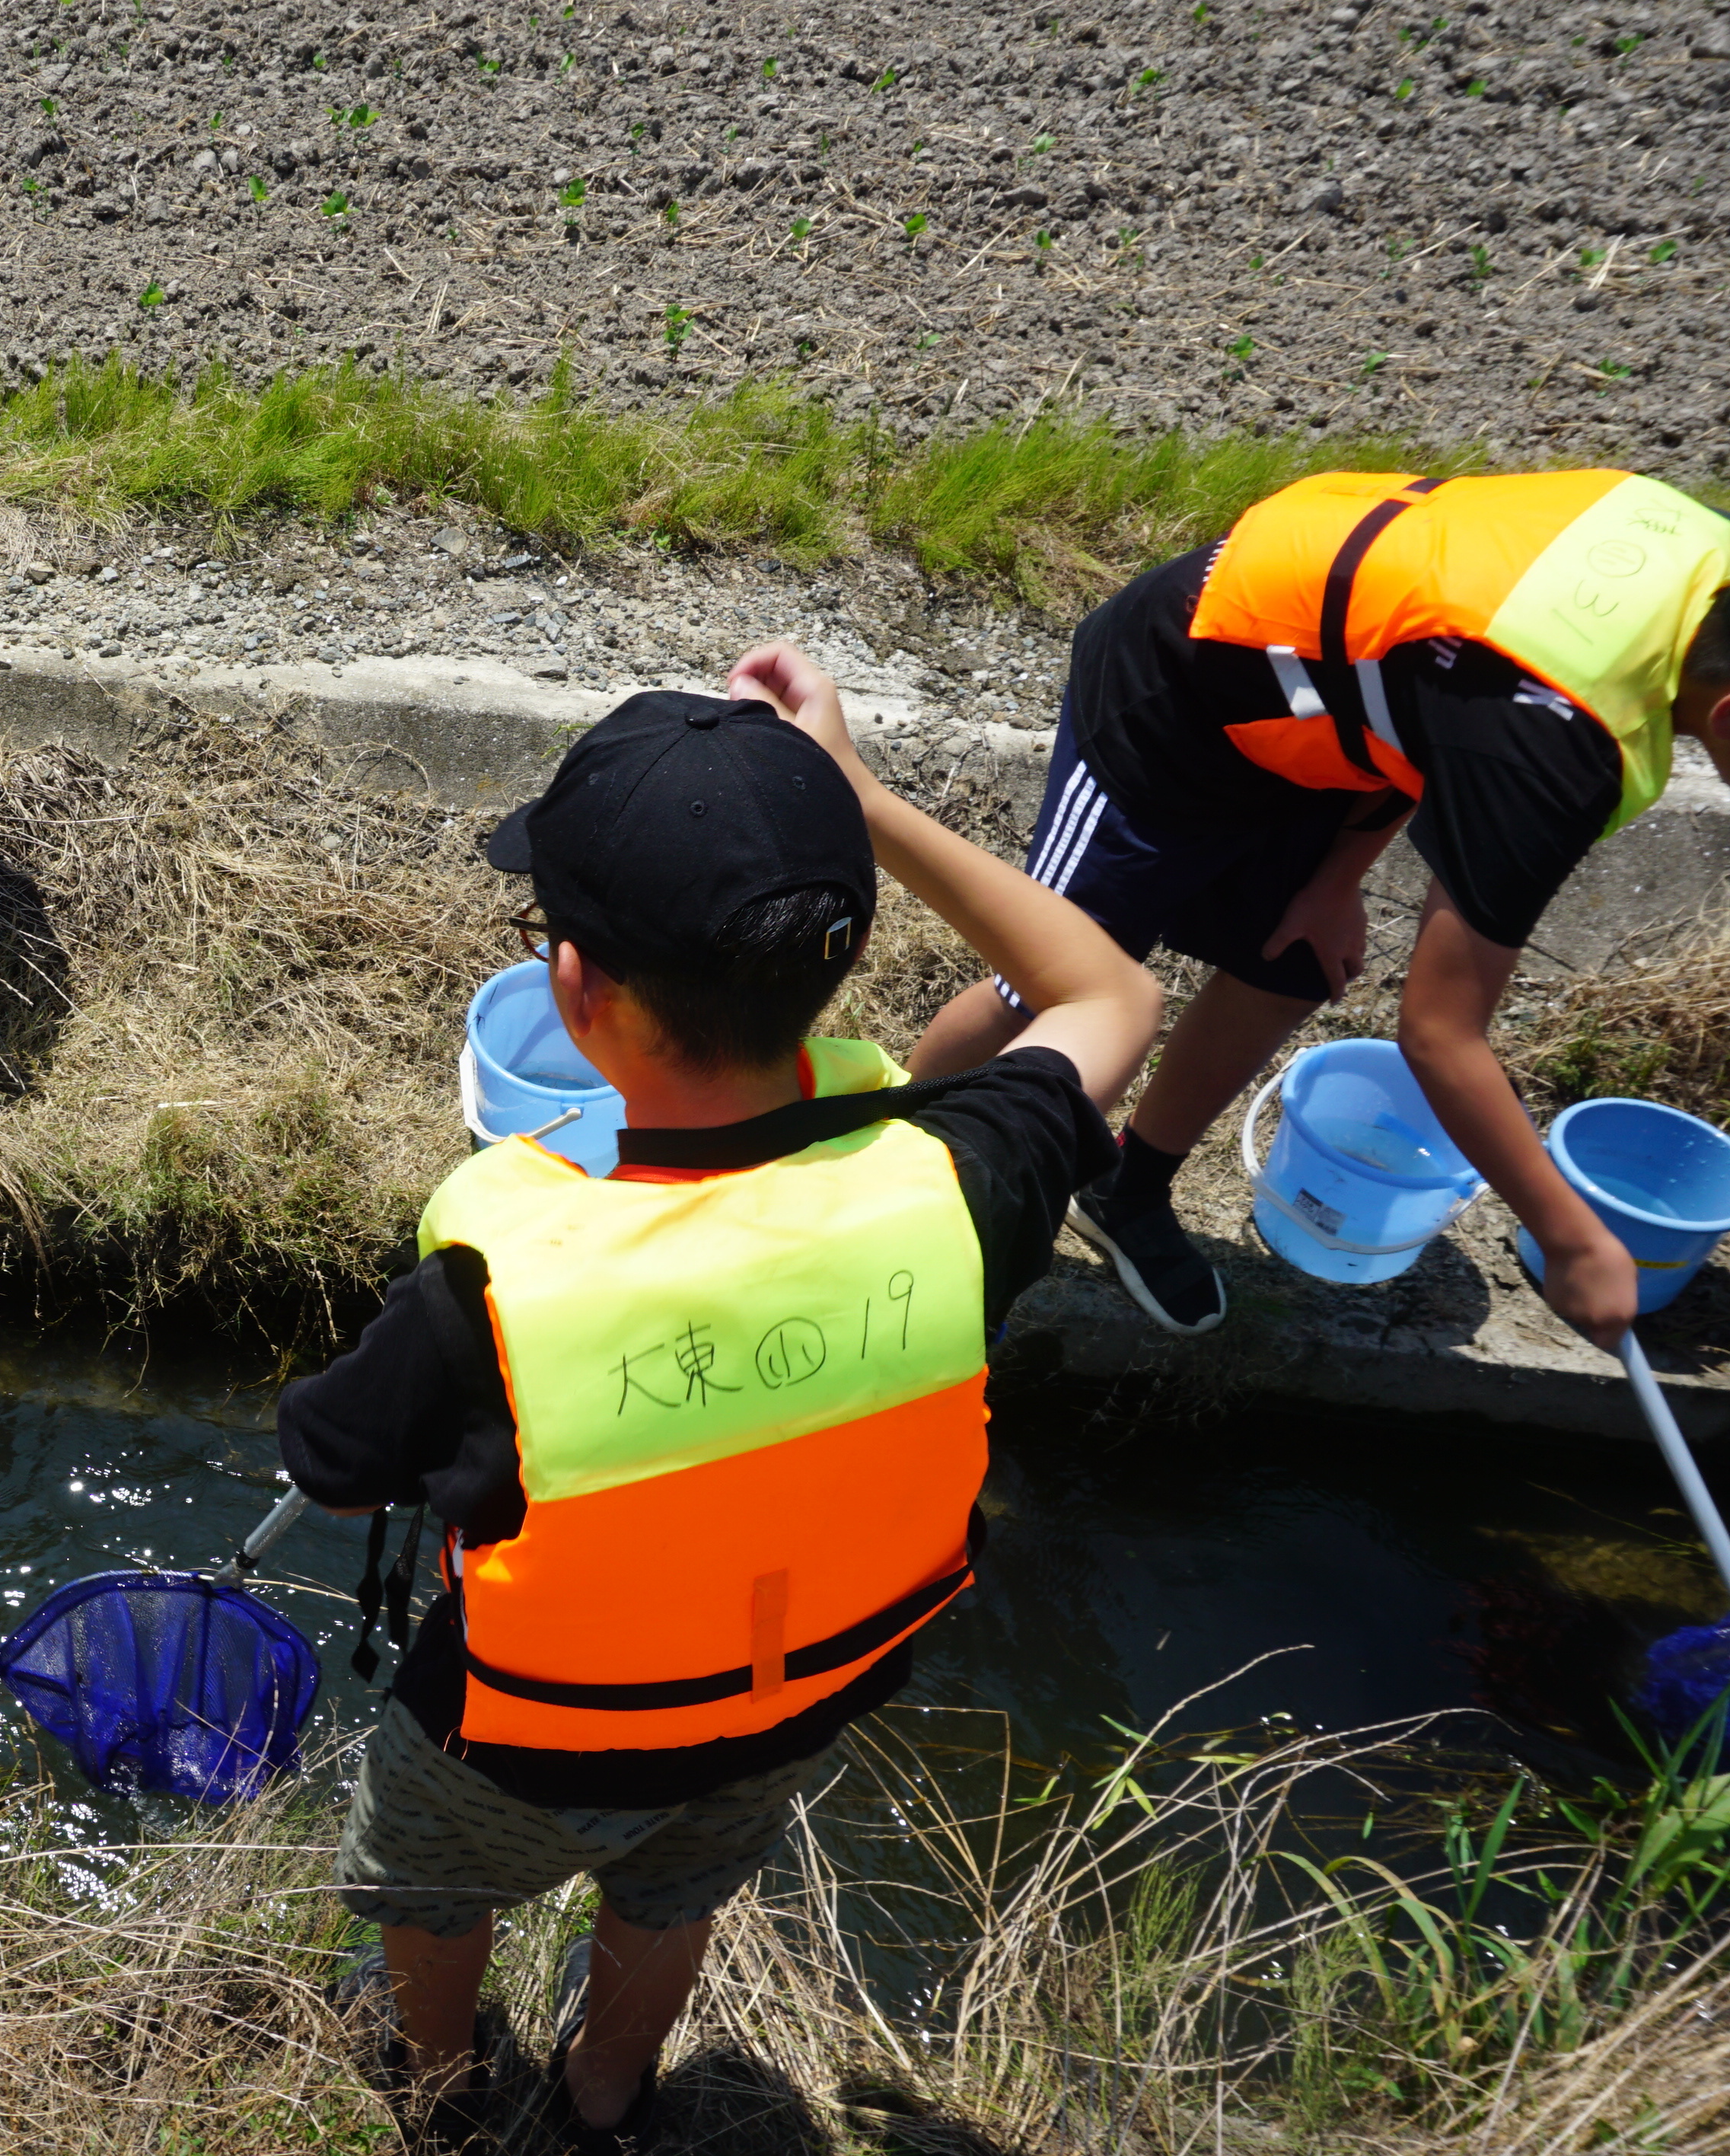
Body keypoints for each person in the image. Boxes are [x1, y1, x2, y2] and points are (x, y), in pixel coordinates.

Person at [277, 652, 1160, 2153]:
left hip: (515, 1735)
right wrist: (864, 802)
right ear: (828, 959)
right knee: (673, 1887)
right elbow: (1107, 989)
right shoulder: (963, 1183)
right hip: (787, 1707)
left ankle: (437, 2094)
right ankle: (607, 2092)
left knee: (424, 1896)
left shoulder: (484, 1289)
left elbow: (339, 1469)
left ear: (569, 988)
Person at [909, 470, 1730, 1344]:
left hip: (1316, 718)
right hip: (1175, 687)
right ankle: (895, 1180)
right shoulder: (1557, 730)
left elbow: (1430, 699)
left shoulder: (1698, 584)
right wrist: (1570, 1239)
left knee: (1295, 958)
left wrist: (1335, 883)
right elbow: (1440, 1033)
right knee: (1048, 987)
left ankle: (1124, 1188)